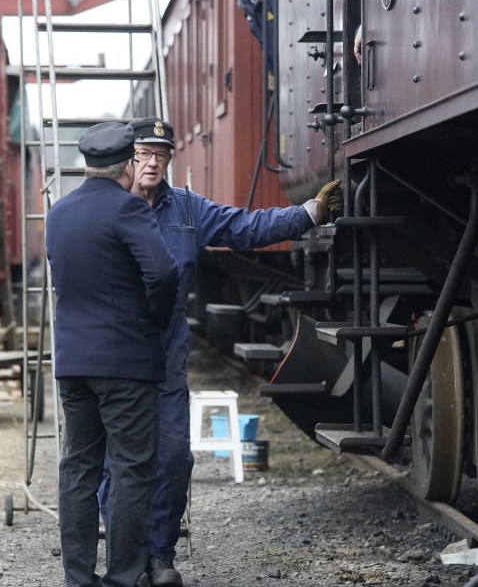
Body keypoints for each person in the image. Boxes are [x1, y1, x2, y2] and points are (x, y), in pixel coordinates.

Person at [97, 117, 342, 587]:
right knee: (117, 460)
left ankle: (160, 557)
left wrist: (310, 212)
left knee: (174, 456)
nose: (152, 163)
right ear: (128, 158)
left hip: (165, 354)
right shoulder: (105, 208)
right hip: (115, 352)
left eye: (161, 155)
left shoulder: (186, 209)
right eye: (144, 154)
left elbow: (245, 226)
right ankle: (126, 561)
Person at [46, 122, 179, 587]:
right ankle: (122, 578)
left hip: (73, 363)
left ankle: (78, 579)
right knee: (131, 469)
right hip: (126, 362)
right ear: (127, 165)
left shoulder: (58, 212)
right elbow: (163, 273)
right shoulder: (128, 208)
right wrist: (154, 319)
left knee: (78, 468)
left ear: (87, 165)